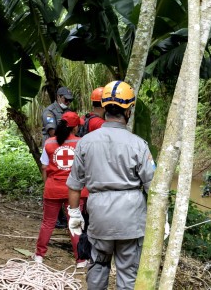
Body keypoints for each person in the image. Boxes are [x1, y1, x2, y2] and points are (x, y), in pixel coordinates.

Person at [67, 80, 156, 289]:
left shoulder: (85, 142)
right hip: (131, 218)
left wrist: (74, 213)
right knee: (128, 273)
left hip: (99, 216)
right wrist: (164, 218)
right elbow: (153, 185)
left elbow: (74, 184)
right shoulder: (139, 145)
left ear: (104, 108)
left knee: (97, 266)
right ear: (128, 111)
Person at [33, 111, 89, 268]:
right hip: (76, 190)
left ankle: (39, 256)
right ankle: (81, 260)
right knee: (75, 222)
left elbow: (44, 166)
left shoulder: (50, 143)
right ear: (75, 127)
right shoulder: (82, 142)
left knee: (48, 223)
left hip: (53, 188)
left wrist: (48, 184)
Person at [41, 86, 74, 229]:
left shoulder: (69, 112)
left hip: (65, 151)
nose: (67, 102)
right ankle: (56, 216)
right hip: (52, 151)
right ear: (59, 97)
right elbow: (53, 131)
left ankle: (64, 215)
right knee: (52, 180)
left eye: (69, 100)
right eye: (65, 99)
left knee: (65, 182)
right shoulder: (49, 112)